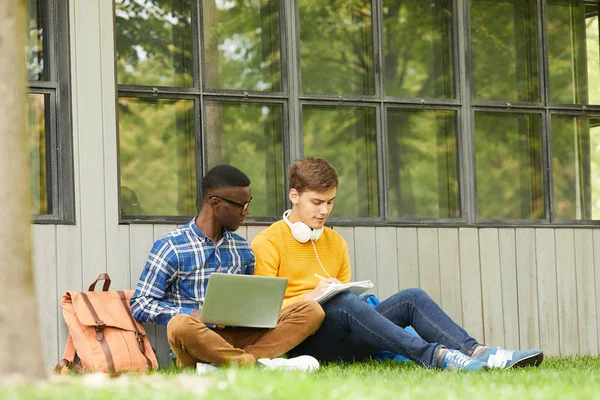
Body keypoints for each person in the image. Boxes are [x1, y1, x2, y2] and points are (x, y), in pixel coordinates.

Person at [251, 157, 544, 372]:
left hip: (347, 335)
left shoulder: (335, 241)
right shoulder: (268, 243)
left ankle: (481, 353)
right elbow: (261, 317)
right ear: (294, 195)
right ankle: (437, 357)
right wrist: (310, 297)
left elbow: (349, 299)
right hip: (307, 345)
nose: (325, 210)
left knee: (411, 298)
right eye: (317, 202)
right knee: (339, 302)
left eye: (330, 202)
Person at [130, 164, 324, 372]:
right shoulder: (171, 247)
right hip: (199, 340)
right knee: (179, 325)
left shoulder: (243, 249)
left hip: (240, 336)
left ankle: (234, 364)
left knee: (312, 310)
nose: (246, 212)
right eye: (241, 205)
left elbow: (250, 300)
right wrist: (195, 314)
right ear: (215, 203)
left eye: (248, 203)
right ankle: (255, 365)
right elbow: (140, 304)